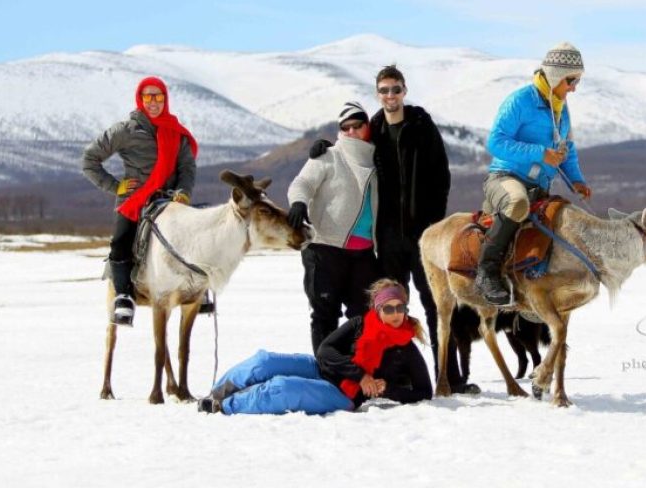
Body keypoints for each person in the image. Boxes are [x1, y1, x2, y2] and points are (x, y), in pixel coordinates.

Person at [311, 65, 468, 390]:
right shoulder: (376, 129)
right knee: (391, 308)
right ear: (377, 94)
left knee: (436, 304)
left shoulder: (422, 125)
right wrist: (323, 148)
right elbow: (350, 147)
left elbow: (442, 176)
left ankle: (450, 377)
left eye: (395, 89)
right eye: (384, 90)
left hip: (425, 237)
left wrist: (433, 224)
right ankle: (395, 375)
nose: (390, 95)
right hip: (388, 239)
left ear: (404, 91)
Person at [198, 279, 431, 415]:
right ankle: (217, 391)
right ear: (377, 309)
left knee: (282, 388)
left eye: (400, 308)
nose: (395, 315)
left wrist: (386, 389)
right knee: (265, 361)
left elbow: (424, 391)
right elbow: (324, 351)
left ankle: (223, 406)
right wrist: (360, 375)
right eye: (388, 309)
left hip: (342, 395)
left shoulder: (406, 348)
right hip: (321, 369)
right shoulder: (359, 324)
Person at [477, 42, 592, 306]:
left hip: (539, 185)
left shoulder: (561, 108)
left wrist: (576, 179)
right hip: (506, 179)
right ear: (555, 77)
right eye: (571, 80)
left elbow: (567, 149)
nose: (574, 88)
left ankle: (535, 281)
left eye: (577, 82)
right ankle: (487, 271)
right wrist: (539, 153)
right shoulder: (521, 100)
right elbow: (495, 142)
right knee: (518, 203)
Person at [82, 76, 197, 326]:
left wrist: (184, 191)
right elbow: (89, 160)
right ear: (140, 99)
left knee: (198, 234)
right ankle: (123, 296)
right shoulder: (125, 130)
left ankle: (198, 289)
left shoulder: (176, 132)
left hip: (172, 200)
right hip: (136, 201)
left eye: (158, 97)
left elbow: (187, 167)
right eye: (149, 96)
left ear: (165, 99)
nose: (154, 102)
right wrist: (116, 186)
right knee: (121, 242)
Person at [287, 101, 380, 353]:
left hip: (364, 253)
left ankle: (356, 372)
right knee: (324, 314)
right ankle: (326, 375)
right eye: (345, 127)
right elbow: (302, 183)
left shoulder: (378, 158)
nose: (351, 132)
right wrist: (298, 203)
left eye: (357, 125)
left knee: (362, 315)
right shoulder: (329, 156)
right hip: (324, 246)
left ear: (367, 127)